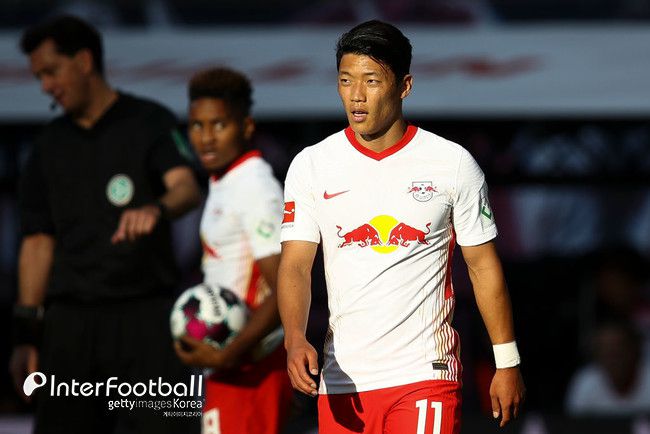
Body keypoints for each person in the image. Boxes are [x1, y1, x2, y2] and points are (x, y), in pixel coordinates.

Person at [277, 20, 525, 434]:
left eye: (371, 81)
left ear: (404, 86)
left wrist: (507, 362)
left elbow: (483, 266)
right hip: (342, 383)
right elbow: (296, 265)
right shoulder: (311, 165)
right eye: (345, 80)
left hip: (424, 375)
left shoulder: (452, 163)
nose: (356, 95)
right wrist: (294, 339)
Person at [9, 15, 201, 434]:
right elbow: (37, 242)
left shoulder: (149, 122)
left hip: (146, 319)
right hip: (70, 325)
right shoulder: (47, 147)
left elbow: (186, 187)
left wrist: (156, 209)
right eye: (39, 77)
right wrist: (27, 334)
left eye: (51, 71)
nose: (45, 86)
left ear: (83, 61)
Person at [173, 67, 293, 434]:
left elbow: (287, 287)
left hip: (253, 366)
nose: (206, 138)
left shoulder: (255, 186)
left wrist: (228, 353)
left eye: (219, 125)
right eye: (197, 126)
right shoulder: (225, 181)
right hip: (229, 364)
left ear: (246, 126)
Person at [566, 320, 650, 416]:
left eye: (619, 350)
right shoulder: (586, 382)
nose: (614, 359)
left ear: (634, 349)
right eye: (607, 352)